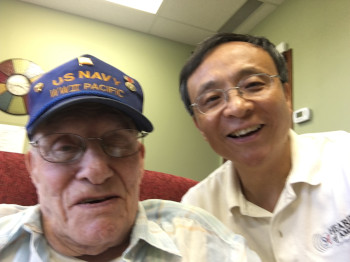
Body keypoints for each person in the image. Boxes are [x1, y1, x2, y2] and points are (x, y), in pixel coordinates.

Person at [0, 55, 261, 262]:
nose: (96, 171)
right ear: (32, 166)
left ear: (140, 160)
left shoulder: (203, 241)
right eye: (65, 148)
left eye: (116, 144)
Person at [179, 32, 350, 261]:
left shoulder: (343, 156)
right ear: (199, 126)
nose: (237, 107)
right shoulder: (196, 210)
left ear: (287, 95)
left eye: (252, 84)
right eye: (211, 99)